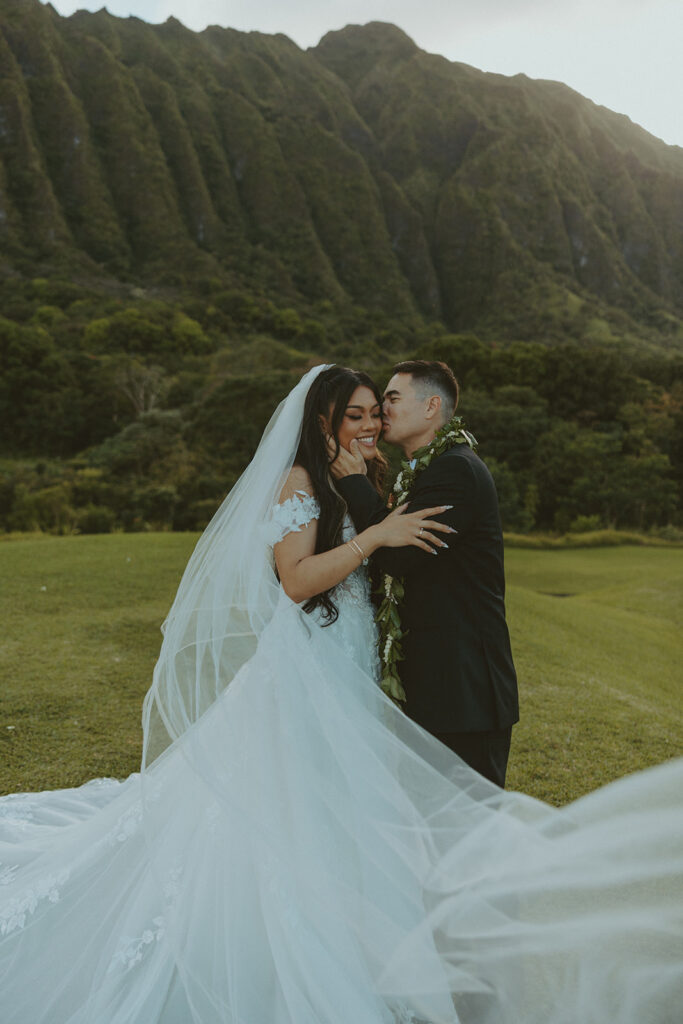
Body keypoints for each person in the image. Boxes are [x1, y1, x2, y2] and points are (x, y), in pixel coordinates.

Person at [0, 364, 681, 1024]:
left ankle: (378, 942)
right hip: (309, 666)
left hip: (354, 665)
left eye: (375, 410)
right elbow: (296, 581)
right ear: (321, 419)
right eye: (354, 413)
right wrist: (377, 535)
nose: (370, 423)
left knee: (345, 808)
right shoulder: (300, 481)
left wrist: (374, 520)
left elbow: (401, 563)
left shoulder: (373, 477)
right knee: (291, 803)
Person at [331, 360, 518, 787]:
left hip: (464, 691)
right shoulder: (423, 473)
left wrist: (355, 481)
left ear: (432, 406)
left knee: (467, 830)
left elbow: (398, 558)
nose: (382, 412)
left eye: (392, 399)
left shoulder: (455, 471)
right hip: (435, 687)